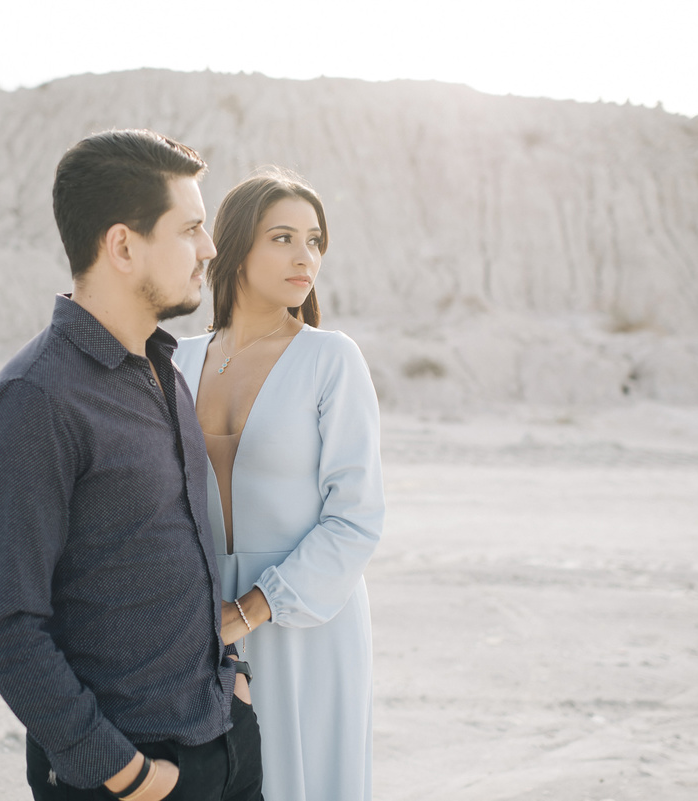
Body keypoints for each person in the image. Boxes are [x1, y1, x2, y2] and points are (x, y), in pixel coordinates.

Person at [0, 129, 263, 801]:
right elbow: (5, 627)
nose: (210, 249)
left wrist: (234, 676)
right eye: (190, 229)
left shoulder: (165, 367)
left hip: (225, 740)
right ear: (123, 245)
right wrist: (124, 772)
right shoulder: (36, 399)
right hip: (128, 773)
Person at [173, 171, 384, 801]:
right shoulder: (176, 360)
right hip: (199, 627)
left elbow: (355, 518)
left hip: (306, 620)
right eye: (284, 237)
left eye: (315, 241)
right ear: (235, 247)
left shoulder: (331, 359)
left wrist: (248, 613)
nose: (305, 257)